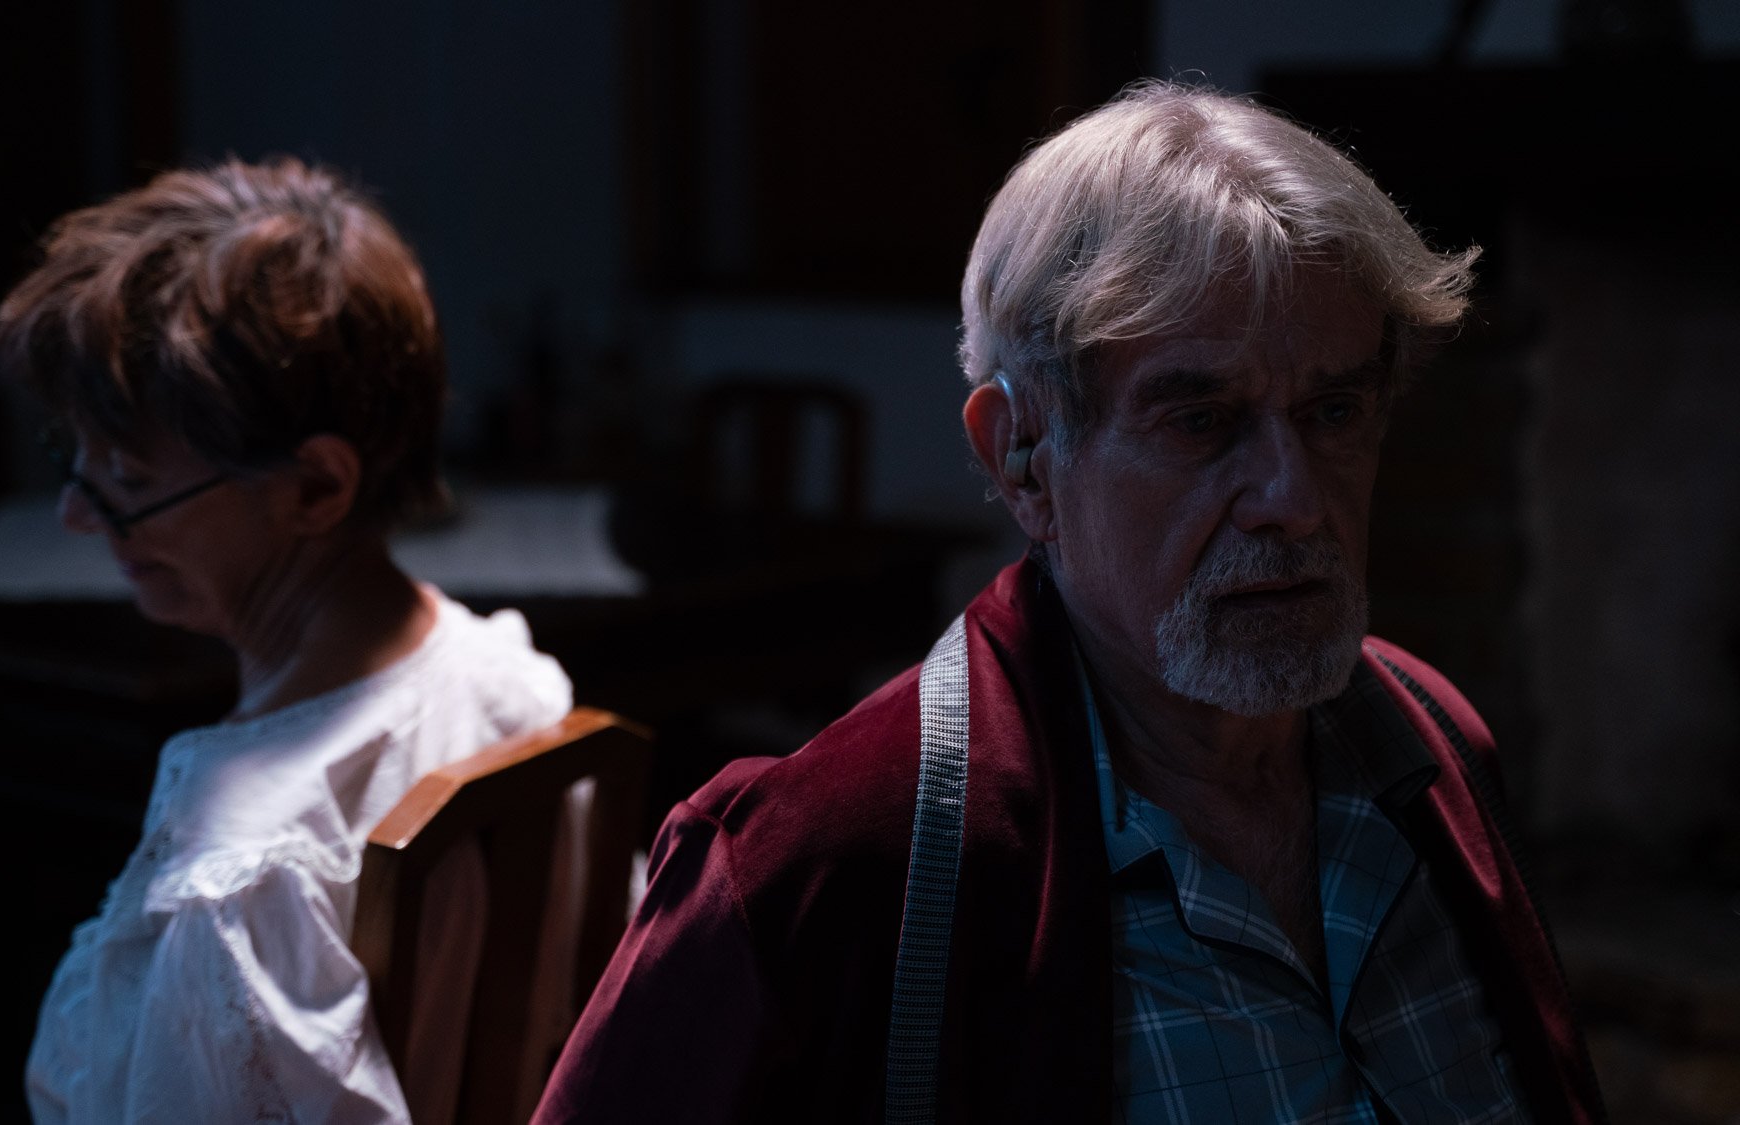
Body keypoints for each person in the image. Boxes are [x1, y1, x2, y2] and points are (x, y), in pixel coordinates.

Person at [535, 82, 1606, 1122]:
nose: (1292, 500)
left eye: (1333, 412)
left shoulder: (1429, 747)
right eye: (1200, 422)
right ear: (1022, 459)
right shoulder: (820, 864)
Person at [1, 158, 572, 1123]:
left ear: (315, 487)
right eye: (74, 456)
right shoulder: (510, 680)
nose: (77, 513)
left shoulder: (240, 876)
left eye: (127, 479)